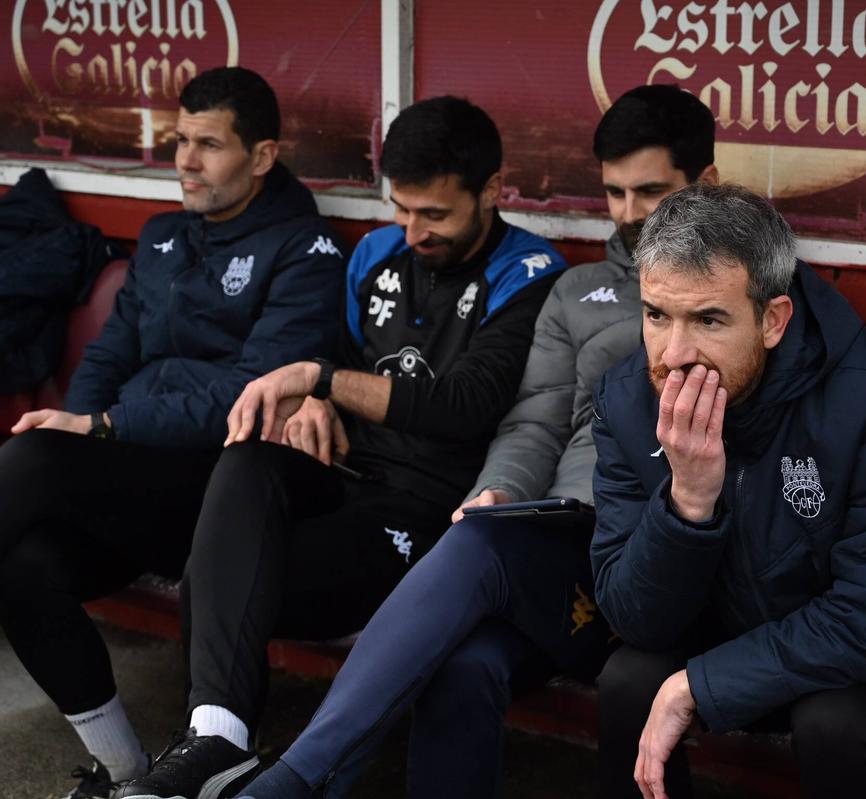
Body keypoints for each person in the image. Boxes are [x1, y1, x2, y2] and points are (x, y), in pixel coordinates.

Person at [231, 84, 719, 799]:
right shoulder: (578, 293)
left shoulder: (741, 293)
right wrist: (497, 493)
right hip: (558, 538)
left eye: (651, 192)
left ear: (704, 183)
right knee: (464, 660)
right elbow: (534, 424)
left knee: (477, 547)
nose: (629, 215)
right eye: (614, 192)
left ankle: (298, 780)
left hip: (655, 549)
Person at [114, 96, 567, 799]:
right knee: (246, 460)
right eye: (402, 209)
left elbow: (465, 406)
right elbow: (344, 361)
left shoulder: (531, 271)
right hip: (347, 473)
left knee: (215, 580)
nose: (414, 230)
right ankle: (217, 740)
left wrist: (320, 379)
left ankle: (218, 755)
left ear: (492, 191)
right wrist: (317, 400)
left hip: (428, 513)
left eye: (436, 215)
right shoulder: (377, 254)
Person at [0, 67, 345, 799]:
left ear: (261, 156)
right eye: (180, 140)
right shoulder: (162, 237)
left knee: (30, 458)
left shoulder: (304, 251)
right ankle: (128, 775)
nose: (184, 160)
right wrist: (87, 425)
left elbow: (247, 398)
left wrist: (96, 425)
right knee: (24, 565)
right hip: (127, 476)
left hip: (216, 490)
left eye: (208, 145)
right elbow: (109, 354)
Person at [590, 183, 866, 799]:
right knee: (629, 679)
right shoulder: (627, 397)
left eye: (709, 319)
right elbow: (635, 616)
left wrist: (701, 683)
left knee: (834, 722)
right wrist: (687, 502)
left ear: (773, 319)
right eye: (656, 315)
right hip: (738, 634)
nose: (674, 353)